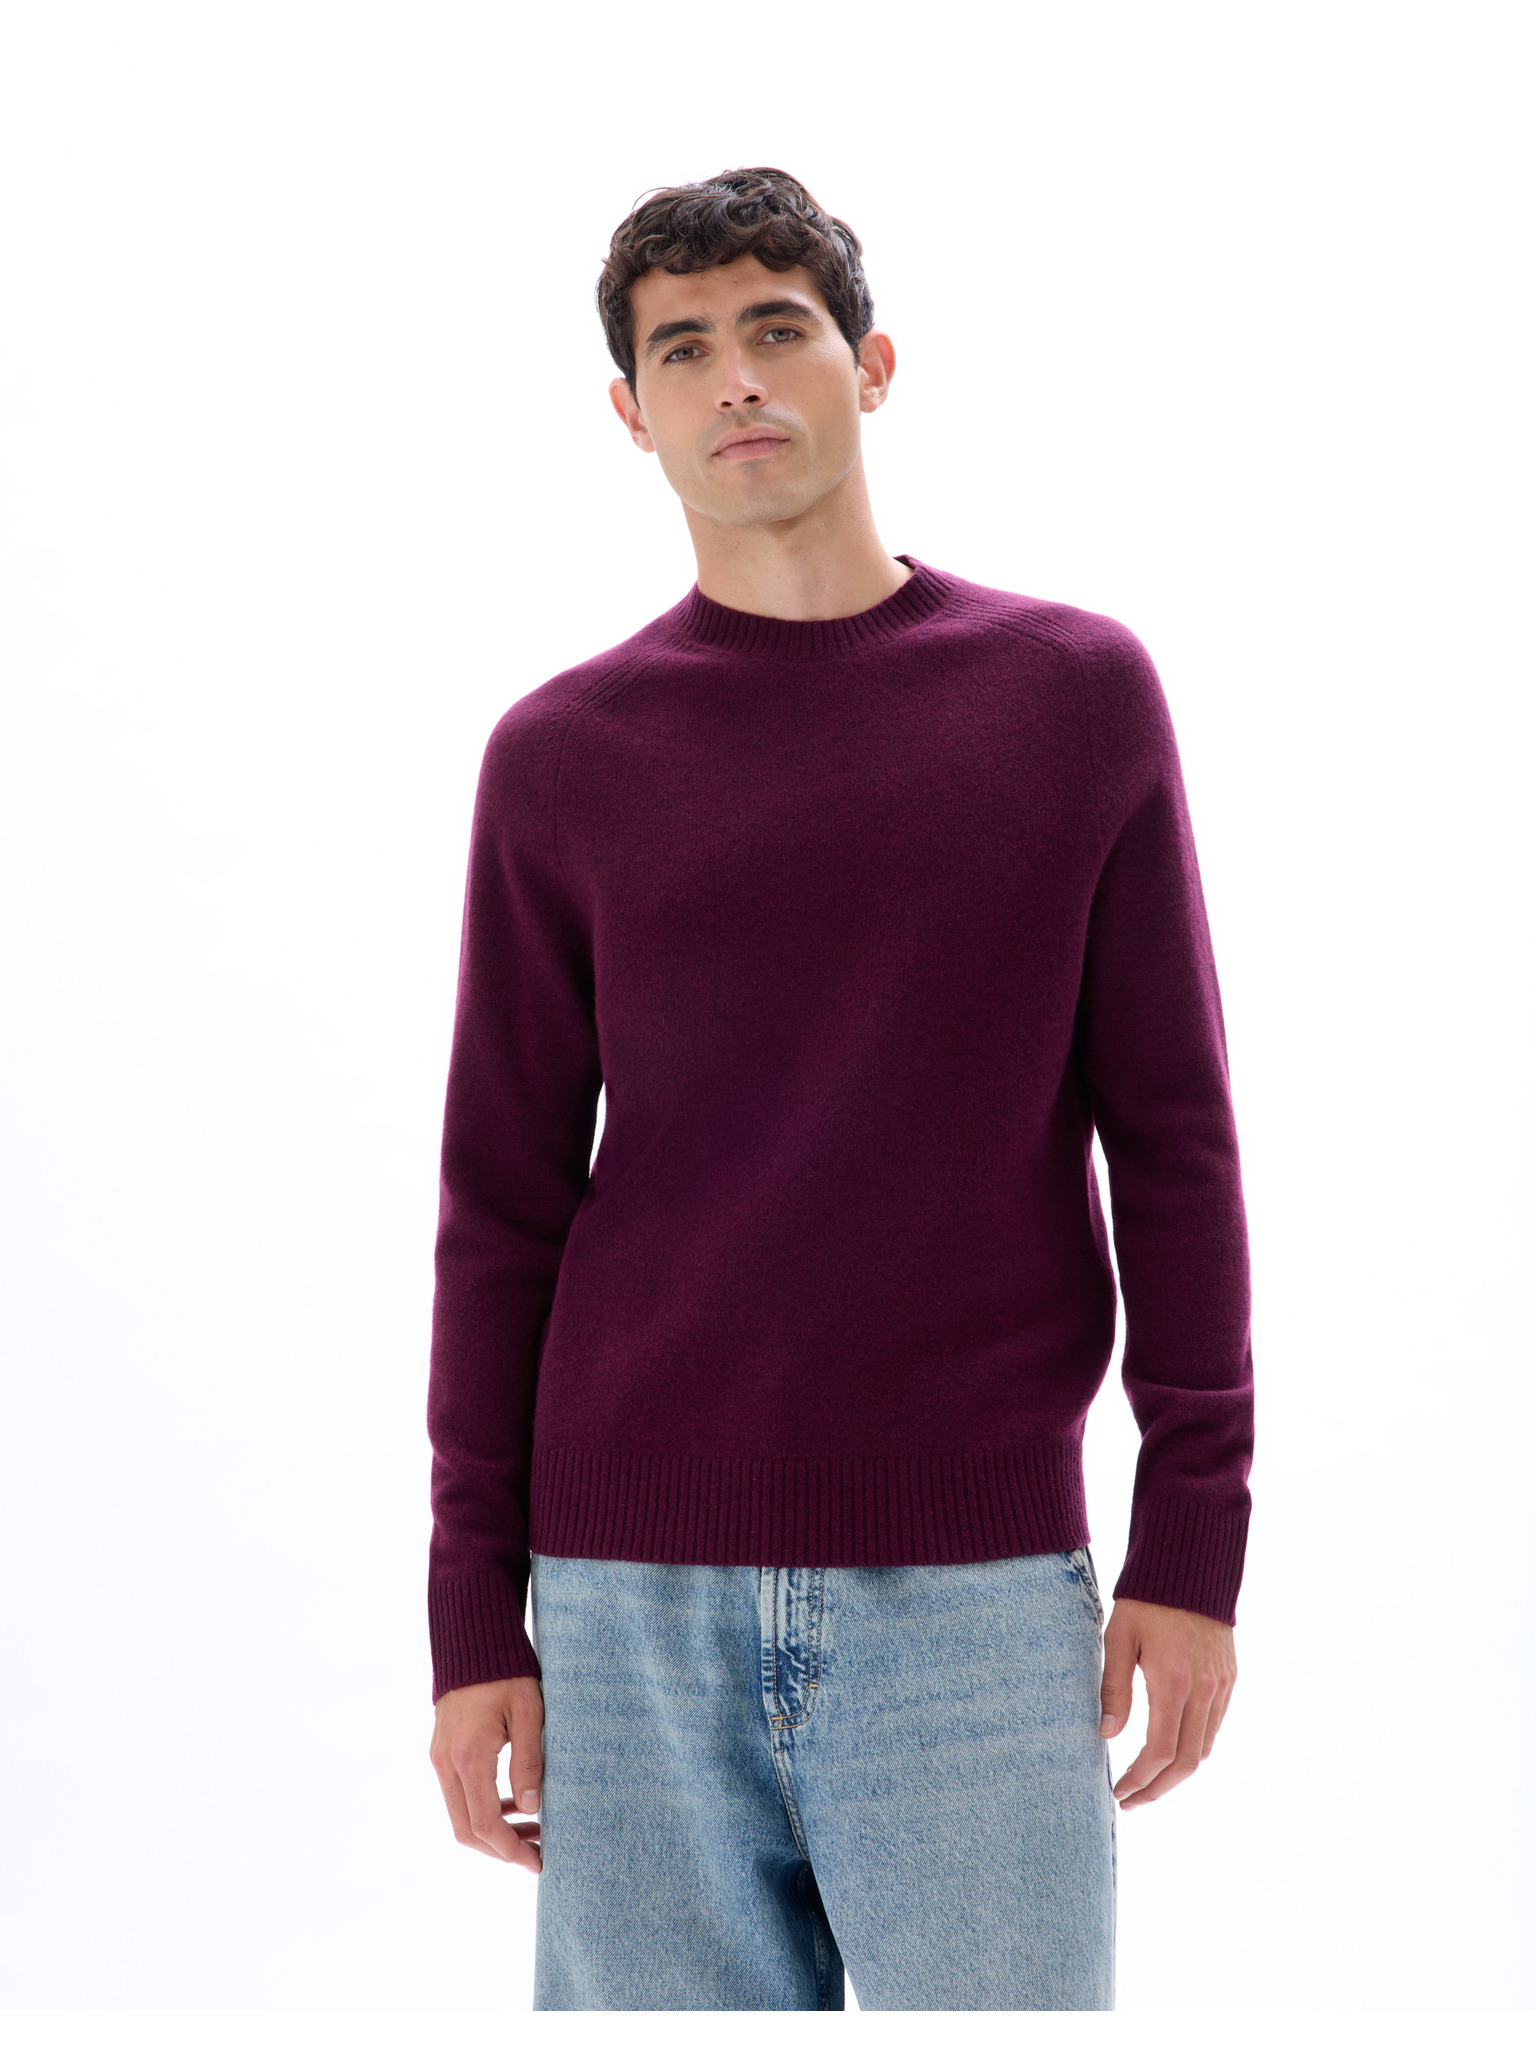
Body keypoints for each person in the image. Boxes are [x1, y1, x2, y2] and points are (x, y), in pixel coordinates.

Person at [425, 166, 1254, 2013]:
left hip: (975, 1591)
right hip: (626, 1596)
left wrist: (1195, 1539)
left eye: (777, 330)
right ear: (629, 412)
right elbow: (501, 1208)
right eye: (683, 349)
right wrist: (473, 1611)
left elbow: (1176, 1141)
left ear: (871, 367)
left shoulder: (1072, 696)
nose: (735, 378)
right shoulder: (562, 759)